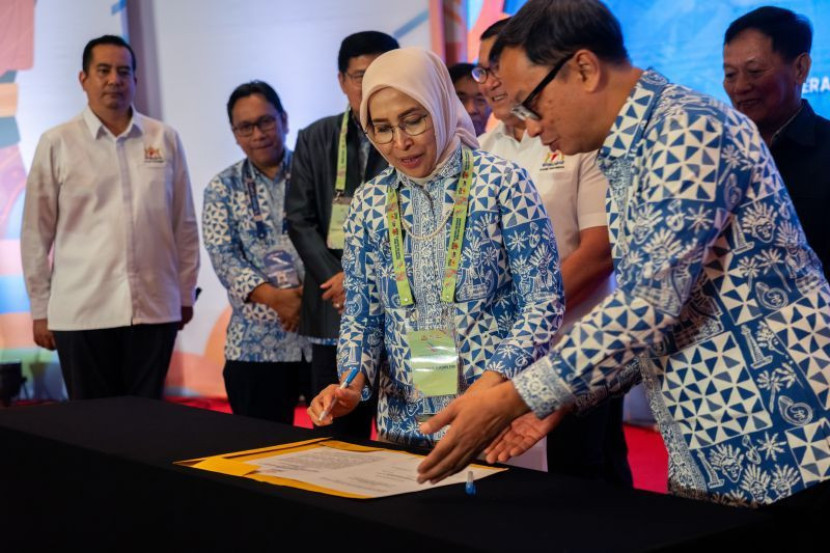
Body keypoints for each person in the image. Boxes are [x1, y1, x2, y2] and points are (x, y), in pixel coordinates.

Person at [417, 0, 830, 509]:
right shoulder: (626, 152)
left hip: (784, 436)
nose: (531, 125)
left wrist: (512, 397)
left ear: (584, 69)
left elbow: (649, 302)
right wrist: (563, 400)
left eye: (531, 104)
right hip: (710, 443)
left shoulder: (688, 128)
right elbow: (668, 317)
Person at [306, 47, 564, 448]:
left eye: (413, 120)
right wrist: (351, 384)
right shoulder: (371, 201)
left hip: (495, 417)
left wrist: (494, 386)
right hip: (402, 419)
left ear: (440, 106)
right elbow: (361, 312)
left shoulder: (501, 184)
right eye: (383, 128)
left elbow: (543, 302)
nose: (401, 142)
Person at [474, 18, 630, 485]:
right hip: (500, 358)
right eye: (483, 71)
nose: (493, 82)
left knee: (585, 483)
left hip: (577, 343)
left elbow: (604, 256)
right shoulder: (479, 151)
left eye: (500, 67)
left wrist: (527, 326)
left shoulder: (588, 138)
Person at [21, 35, 199, 400]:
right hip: (82, 311)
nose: (114, 80)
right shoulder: (57, 142)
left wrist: (184, 293)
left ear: (135, 80)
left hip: (154, 309)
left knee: (147, 424)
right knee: (92, 429)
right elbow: (35, 235)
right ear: (83, 79)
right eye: (103, 70)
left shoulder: (164, 138)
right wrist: (41, 310)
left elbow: (184, 224)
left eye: (123, 71)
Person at [286, 31, 399, 439]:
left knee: (428, 431)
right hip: (336, 308)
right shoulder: (316, 137)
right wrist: (341, 279)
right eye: (360, 76)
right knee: (337, 436)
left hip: (420, 320)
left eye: (383, 74)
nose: (371, 87)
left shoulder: (425, 141)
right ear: (341, 80)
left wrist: (365, 280)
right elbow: (298, 218)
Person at [202, 81, 310, 423]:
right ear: (235, 134)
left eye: (265, 121)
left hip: (322, 338)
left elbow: (340, 241)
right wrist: (278, 300)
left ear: (284, 120)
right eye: (245, 127)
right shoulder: (222, 187)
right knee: (261, 455)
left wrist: (305, 299)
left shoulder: (315, 174)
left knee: (339, 450)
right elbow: (224, 256)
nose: (258, 133)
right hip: (255, 346)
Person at [723, 6, 829, 281]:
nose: (740, 87)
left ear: (800, 68)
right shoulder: (716, 157)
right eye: (730, 74)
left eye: (754, 71)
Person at [448, 62, 491, 135]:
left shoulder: (502, 145)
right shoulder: (429, 145)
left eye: (480, 100)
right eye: (460, 100)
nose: (471, 110)